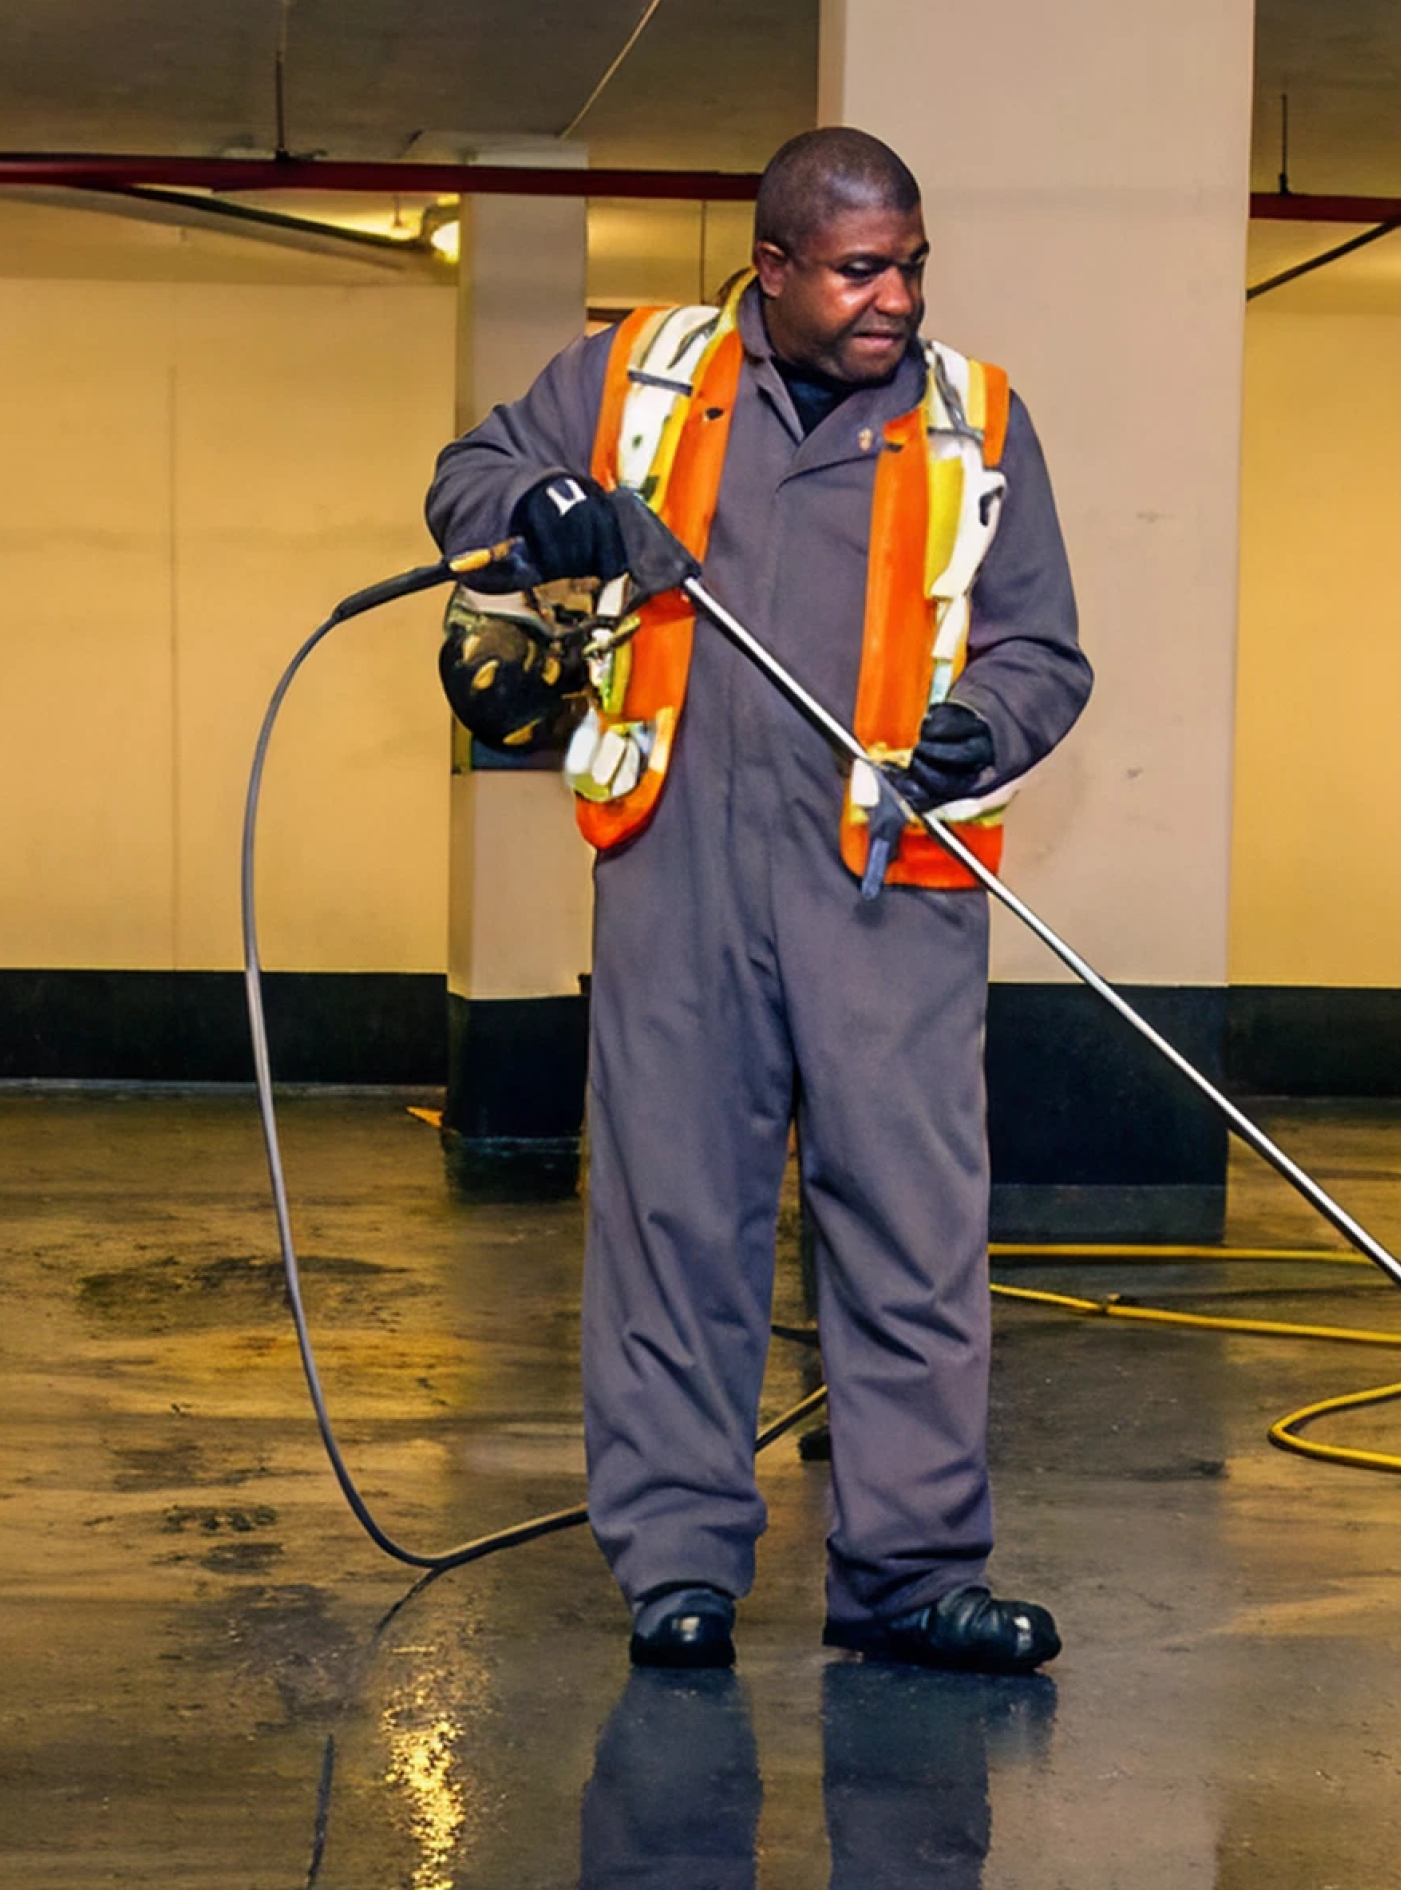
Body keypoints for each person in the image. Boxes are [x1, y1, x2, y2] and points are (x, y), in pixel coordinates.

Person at [424, 125, 1088, 1673]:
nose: (898, 298)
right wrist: (550, 514)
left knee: (914, 1231)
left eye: (913, 264)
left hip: (887, 880)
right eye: (863, 270)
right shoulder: (637, 374)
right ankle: (677, 1566)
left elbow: (1042, 647)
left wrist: (984, 725)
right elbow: (465, 482)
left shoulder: (976, 421)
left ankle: (913, 1575)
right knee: (673, 1223)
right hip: (679, 874)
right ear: (773, 267)